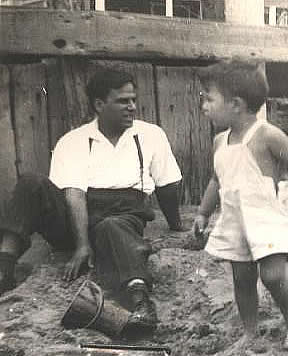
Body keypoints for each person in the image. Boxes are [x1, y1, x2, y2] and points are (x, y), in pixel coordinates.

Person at [0, 69, 185, 327]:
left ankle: (141, 301)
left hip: (123, 215)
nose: (132, 107)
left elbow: (168, 184)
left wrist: (176, 225)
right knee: (31, 182)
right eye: (123, 101)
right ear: (99, 105)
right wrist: (82, 245)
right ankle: (4, 270)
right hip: (77, 215)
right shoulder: (73, 140)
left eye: (133, 99)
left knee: (113, 226)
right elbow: (74, 194)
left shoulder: (151, 135)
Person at [192, 60, 288, 351]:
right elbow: (217, 180)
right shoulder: (219, 141)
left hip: (267, 217)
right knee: (242, 278)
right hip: (235, 218)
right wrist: (203, 212)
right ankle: (250, 331)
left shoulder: (267, 135)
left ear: (236, 104)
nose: (203, 104)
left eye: (209, 98)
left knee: (273, 275)